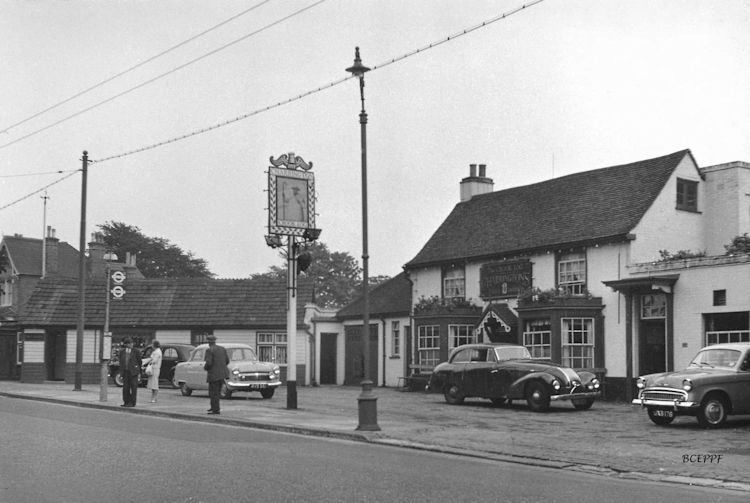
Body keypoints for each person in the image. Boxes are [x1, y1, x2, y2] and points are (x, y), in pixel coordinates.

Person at [204, 334, 229, 415]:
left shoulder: (209, 350)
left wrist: (206, 368)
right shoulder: (222, 349)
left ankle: (215, 409)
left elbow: (209, 363)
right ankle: (214, 407)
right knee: (217, 392)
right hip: (222, 374)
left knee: (213, 393)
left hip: (214, 374)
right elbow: (227, 361)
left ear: (208, 342)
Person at [118, 337, 142, 407]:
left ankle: (132, 402)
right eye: (130, 343)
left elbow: (139, 361)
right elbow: (121, 362)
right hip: (125, 372)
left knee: (133, 388)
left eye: (132, 343)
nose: (131, 345)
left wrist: (139, 371)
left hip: (133, 372)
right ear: (126, 344)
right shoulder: (122, 352)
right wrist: (121, 372)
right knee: (125, 388)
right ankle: (126, 401)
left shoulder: (136, 351)